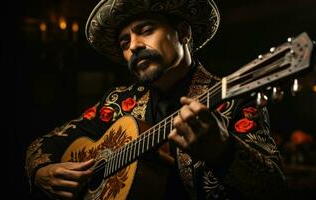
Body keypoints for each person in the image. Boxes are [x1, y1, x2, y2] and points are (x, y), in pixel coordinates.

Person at [25, 0, 286, 199]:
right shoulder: (117, 103)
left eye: (145, 30)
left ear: (183, 32)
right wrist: (40, 172)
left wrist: (224, 151)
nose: (133, 47)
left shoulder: (234, 101)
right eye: (124, 42)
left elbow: (275, 188)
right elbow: (45, 144)